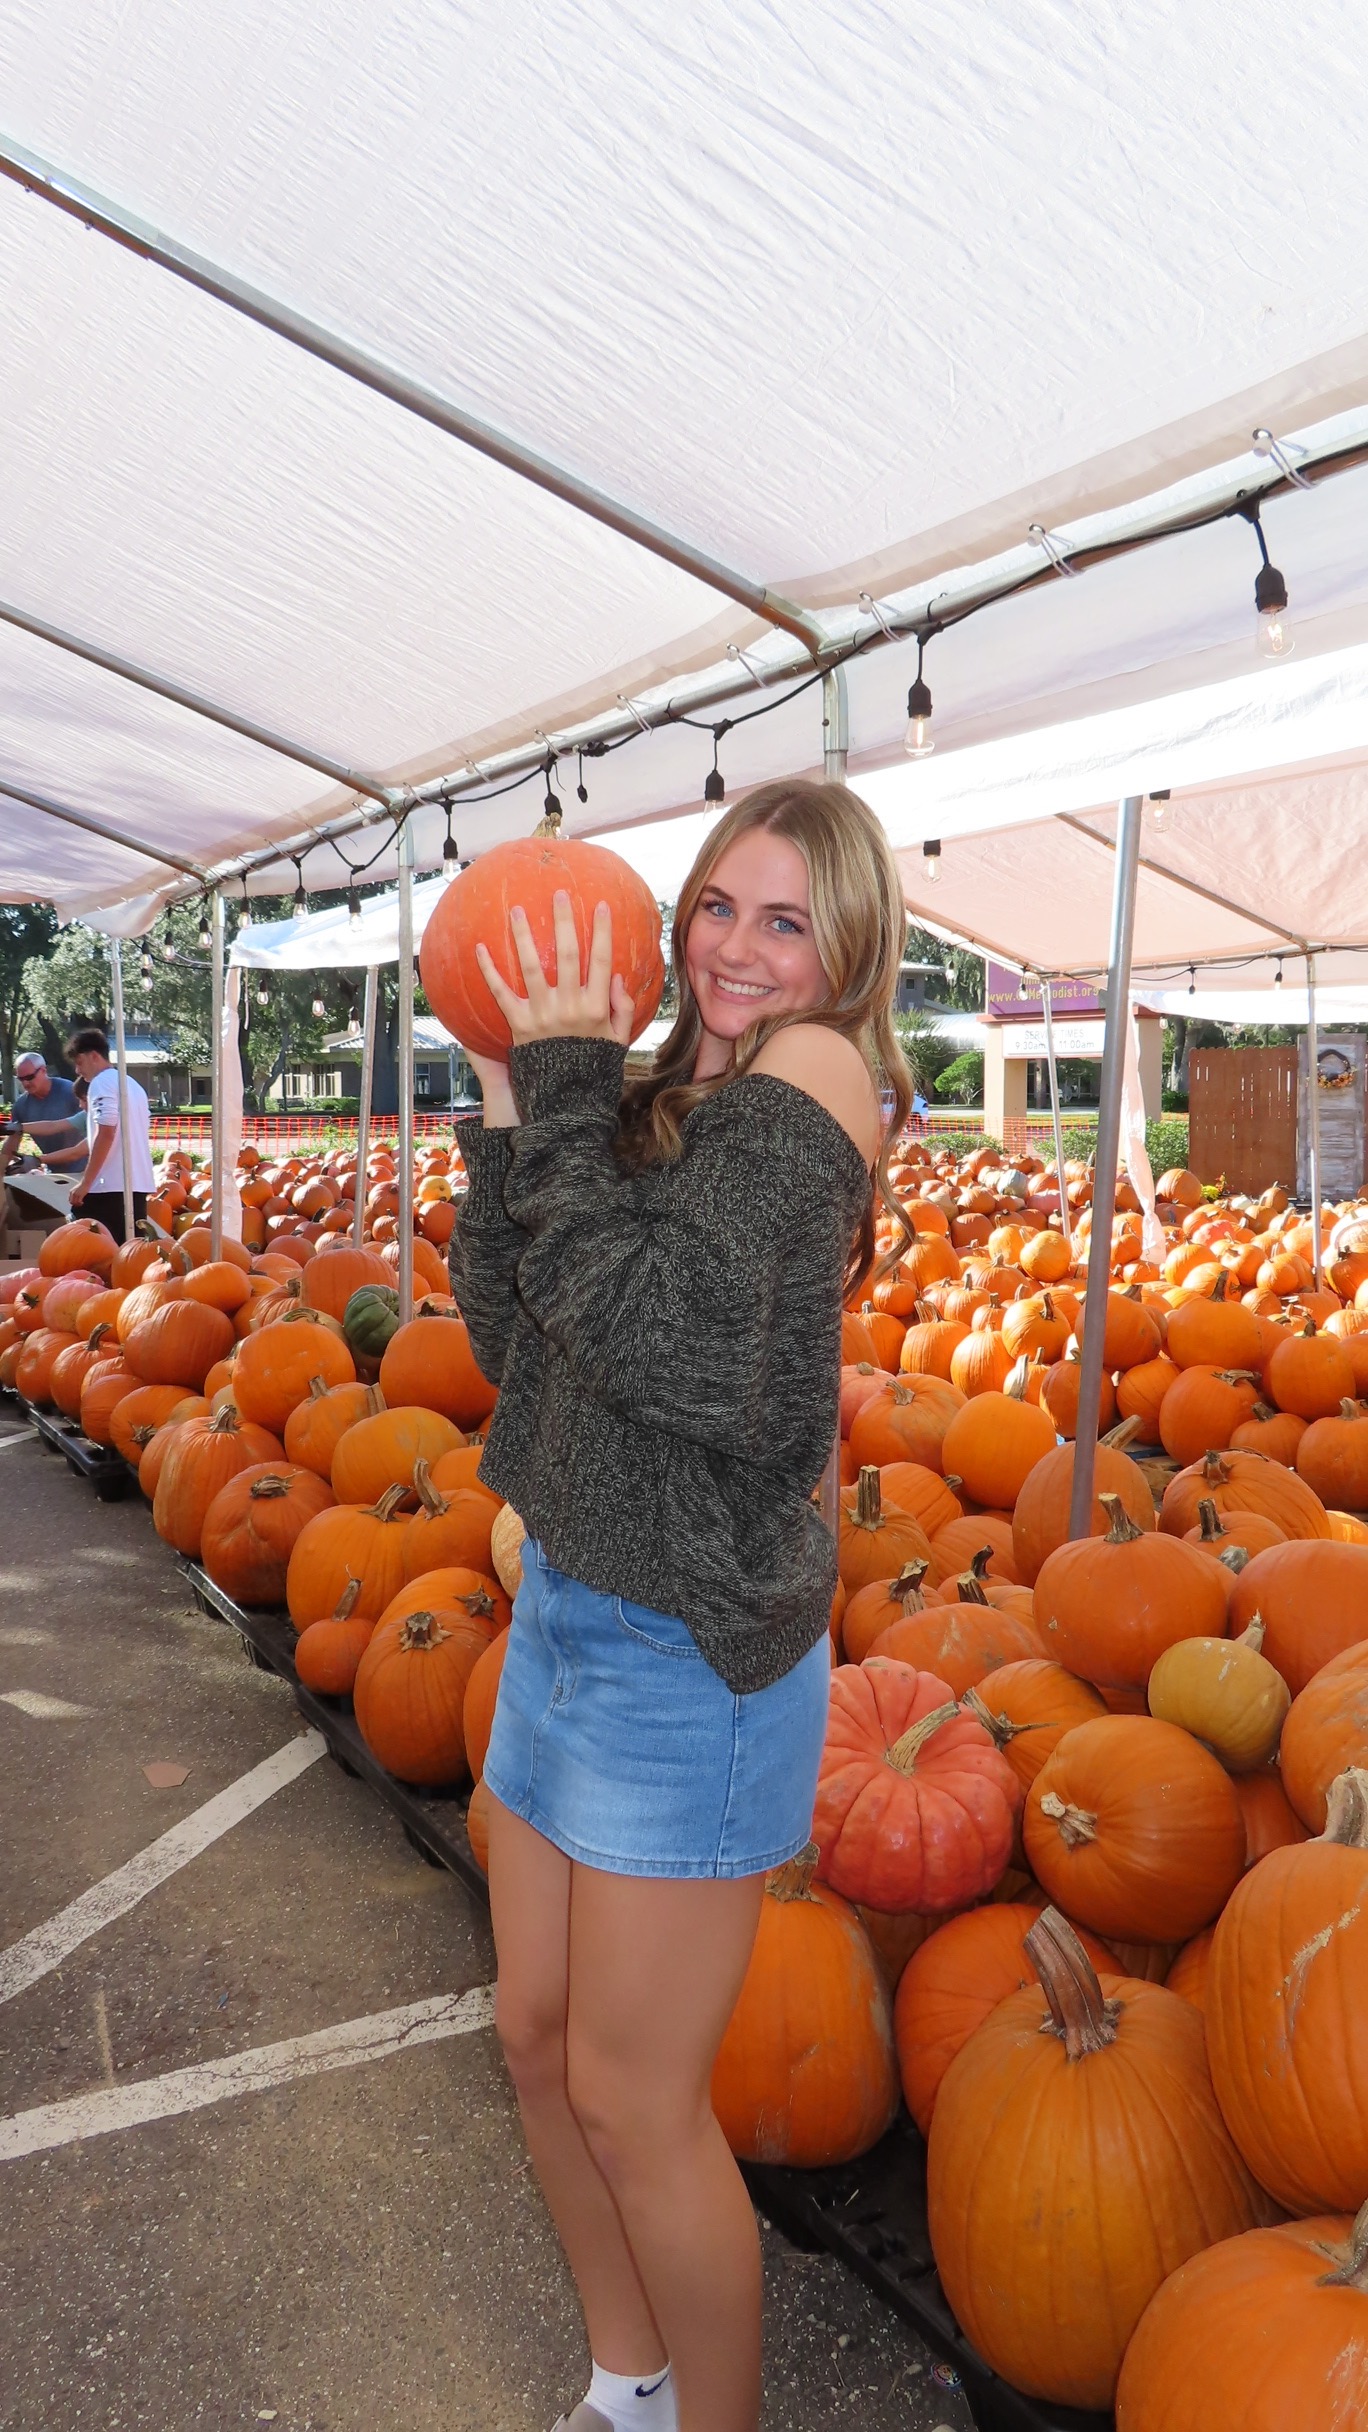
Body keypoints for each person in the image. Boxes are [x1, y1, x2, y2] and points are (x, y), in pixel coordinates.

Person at [449, 777, 910, 2432]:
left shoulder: (818, 1076)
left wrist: (567, 1095)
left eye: (786, 920)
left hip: (686, 1659)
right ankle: (626, 2385)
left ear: (847, 951)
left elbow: (673, 1346)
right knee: (535, 2038)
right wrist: (510, 1111)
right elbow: (520, 1332)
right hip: (569, 1616)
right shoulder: (665, 1094)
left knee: (635, 2101)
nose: (735, 947)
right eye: (717, 903)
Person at [64, 1027, 155, 1241]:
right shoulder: (133, 1085)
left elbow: (106, 1132)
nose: (78, 1070)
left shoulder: (101, 1082)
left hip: (108, 1188)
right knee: (130, 1251)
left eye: (79, 1062)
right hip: (136, 1185)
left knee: (89, 1249)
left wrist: (86, 1183)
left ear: (94, 1056)